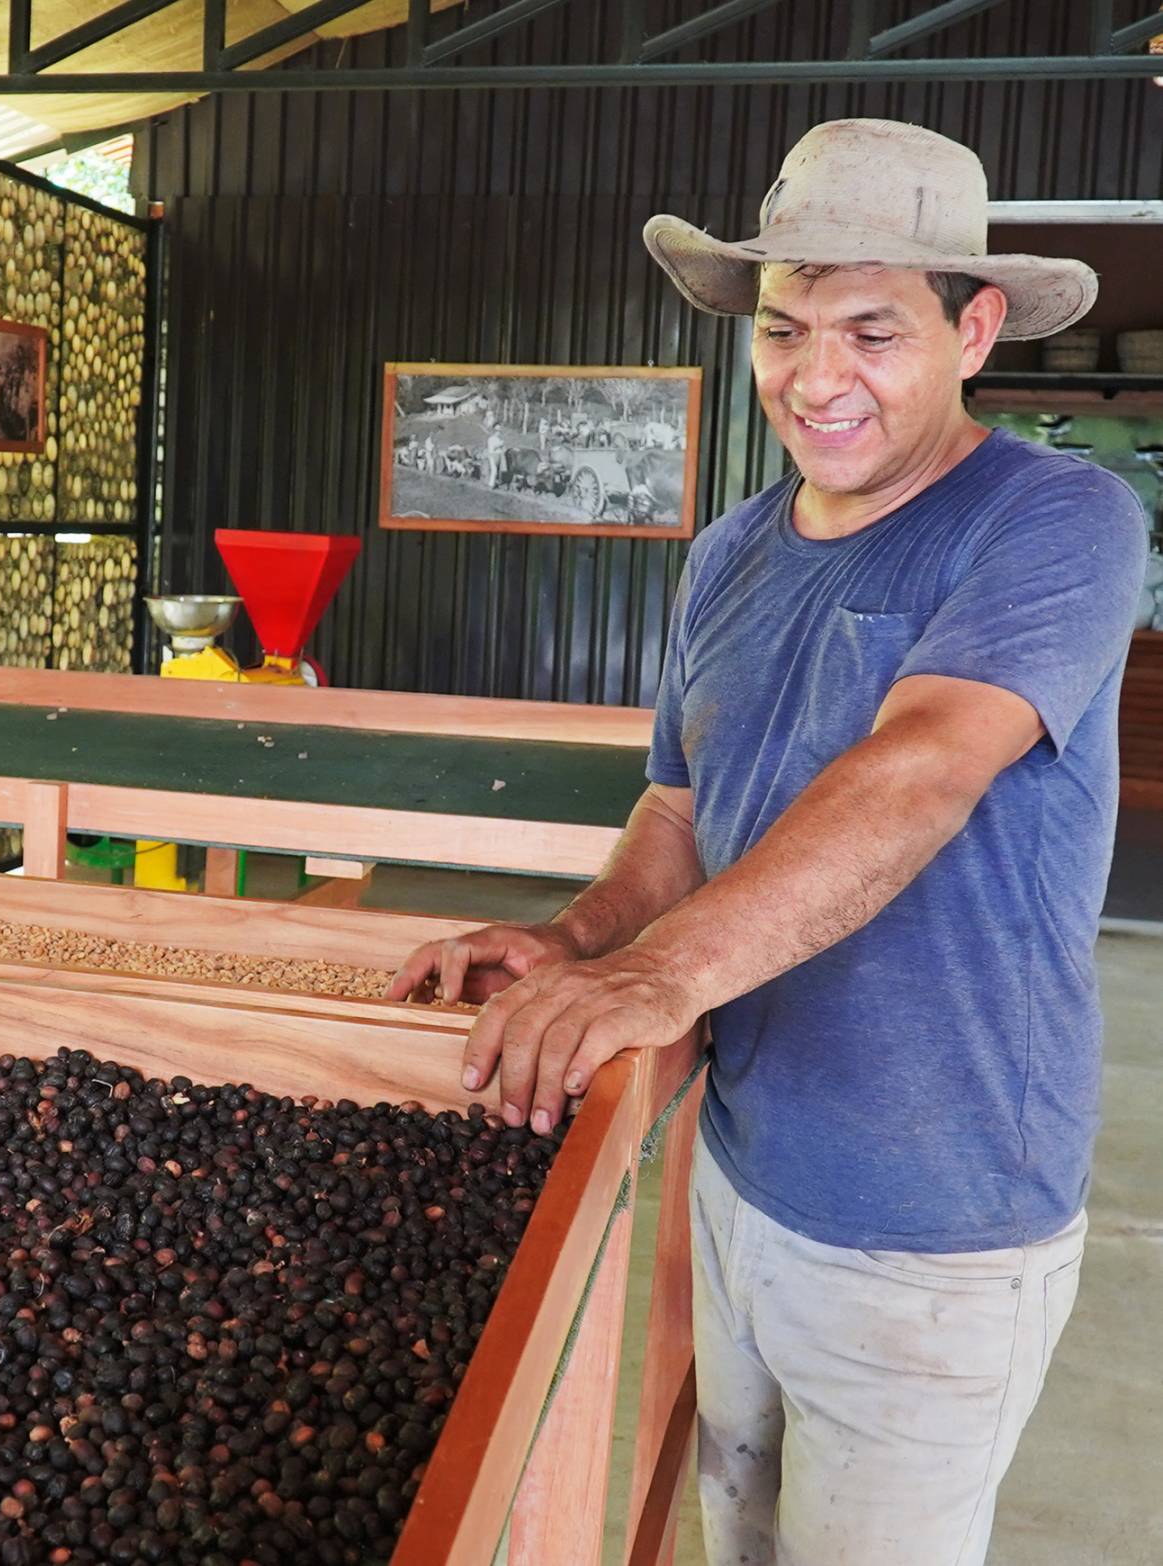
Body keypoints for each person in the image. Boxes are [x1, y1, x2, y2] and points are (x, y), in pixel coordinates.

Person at [388, 119, 1147, 1566]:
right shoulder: (731, 552)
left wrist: (662, 982)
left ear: (975, 326)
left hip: (939, 1218)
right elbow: (678, 808)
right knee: (736, 1527)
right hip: (739, 1170)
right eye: (786, 329)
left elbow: (922, 766)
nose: (816, 376)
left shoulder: (1055, 522)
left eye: (872, 330)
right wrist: (577, 942)